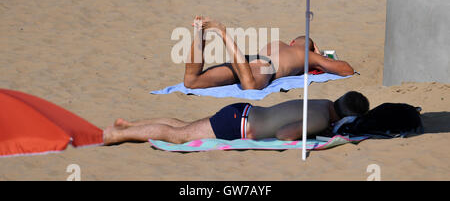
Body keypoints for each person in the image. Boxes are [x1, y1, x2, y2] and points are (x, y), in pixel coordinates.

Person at [103, 91, 369, 145]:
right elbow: (283, 135)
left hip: (244, 111)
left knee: (183, 125)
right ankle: (120, 134)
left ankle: (131, 125)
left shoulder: (323, 102)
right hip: (239, 125)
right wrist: (312, 133)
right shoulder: (321, 120)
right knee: (179, 136)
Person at [183, 16, 355, 90]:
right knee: (249, 86)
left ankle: (201, 34)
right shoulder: (308, 55)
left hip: (249, 62)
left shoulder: (278, 43)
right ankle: (222, 32)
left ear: (292, 42)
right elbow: (347, 70)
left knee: (191, 81)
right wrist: (320, 56)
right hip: (264, 68)